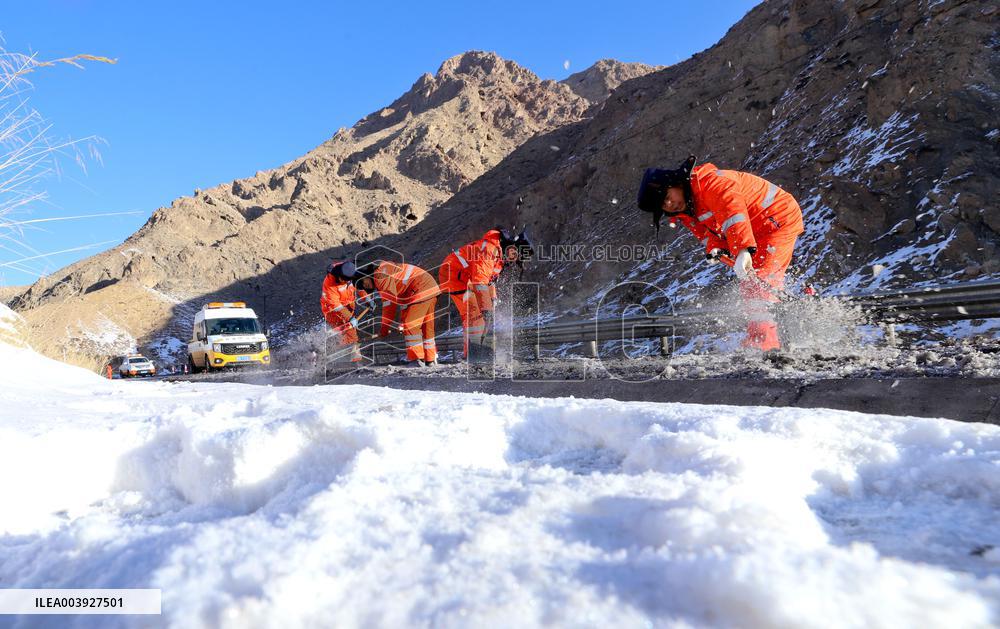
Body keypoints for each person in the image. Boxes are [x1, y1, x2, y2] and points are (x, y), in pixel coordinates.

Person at [637, 156, 804, 351]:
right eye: (663, 206)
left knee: (761, 283)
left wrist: (742, 248)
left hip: (776, 219)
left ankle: (766, 344)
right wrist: (716, 249)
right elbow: (707, 234)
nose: (669, 205)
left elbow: (732, 211)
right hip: (755, 230)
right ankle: (766, 336)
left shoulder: (710, 183)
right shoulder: (687, 210)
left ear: (674, 184)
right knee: (752, 286)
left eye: (667, 198)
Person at [438, 228, 533, 358]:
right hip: (454, 275)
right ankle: (474, 354)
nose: (513, 261)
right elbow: (480, 280)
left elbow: (489, 280)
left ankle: (473, 353)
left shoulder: (499, 257)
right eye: (516, 257)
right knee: (475, 315)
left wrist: (492, 298)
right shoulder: (489, 250)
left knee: (476, 315)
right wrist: (486, 308)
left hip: (467, 277)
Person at [354, 260, 440, 366]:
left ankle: (416, 359)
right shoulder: (384, 270)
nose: (365, 286)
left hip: (420, 288)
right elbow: (401, 301)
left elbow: (389, 305)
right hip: (428, 287)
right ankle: (431, 359)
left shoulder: (379, 276)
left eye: (363, 283)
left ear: (366, 276)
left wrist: (384, 329)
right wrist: (400, 322)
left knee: (410, 325)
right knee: (426, 326)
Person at [320, 260, 366, 363]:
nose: (345, 282)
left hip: (348, 306)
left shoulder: (351, 272)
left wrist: (367, 299)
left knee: (348, 333)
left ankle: (333, 350)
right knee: (350, 332)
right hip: (332, 311)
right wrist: (350, 317)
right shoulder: (329, 283)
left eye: (347, 281)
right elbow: (336, 305)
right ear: (338, 276)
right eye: (343, 280)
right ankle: (355, 360)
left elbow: (359, 285)